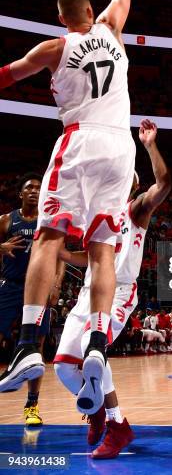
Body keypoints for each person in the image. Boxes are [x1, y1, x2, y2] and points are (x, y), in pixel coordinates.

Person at [0, 0, 142, 405]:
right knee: (103, 250)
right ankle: (99, 342)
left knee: (47, 238)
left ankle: (26, 343)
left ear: (63, 18)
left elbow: (7, 76)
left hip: (80, 141)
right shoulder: (113, 29)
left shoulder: (55, 47)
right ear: (91, 10)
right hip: (121, 149)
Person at [54, 120, 171, 459]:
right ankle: (97, 411)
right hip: (89, 290)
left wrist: (150, 146)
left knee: (95, 352)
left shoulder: (135, 210)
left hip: (118, 292)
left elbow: (164, 183)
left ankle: (118, 426)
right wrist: (60, 254)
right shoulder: (97, 215)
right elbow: (91, 257)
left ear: (131, 184)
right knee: (63, 366)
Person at [0, 174, 65, 425]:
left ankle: (32, 406)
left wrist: (56, 284)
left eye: (39, 188)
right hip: (10, 286)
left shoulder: (47, 222)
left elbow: (59, 255)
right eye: (29, 188)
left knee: (35, 349)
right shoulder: (6, 220)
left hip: (38, 292)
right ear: (21, 194)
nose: (34, 191)